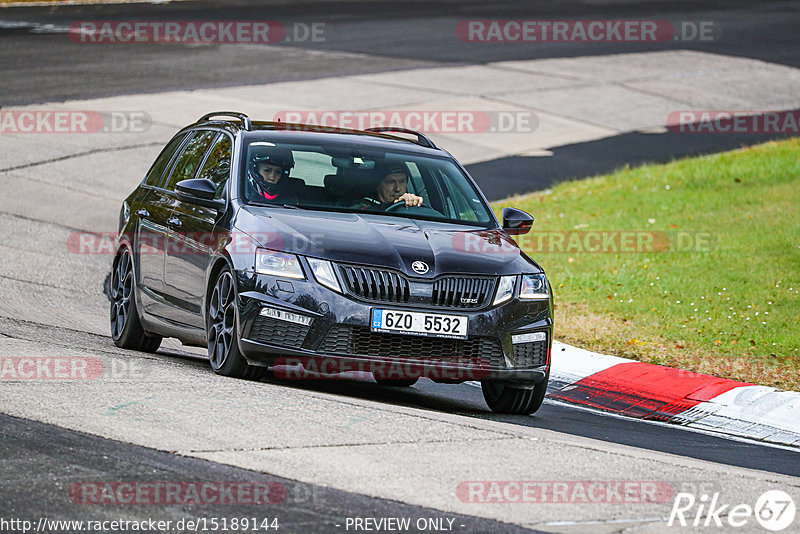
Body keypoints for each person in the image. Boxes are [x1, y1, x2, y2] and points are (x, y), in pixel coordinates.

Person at [353, 163, 424, 210]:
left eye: (402, 181)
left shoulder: (413, 206)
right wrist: (393, 205)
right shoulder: (362, 207)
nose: (398, 189)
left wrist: (416, 203)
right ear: (377, 185)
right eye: (391, 182)